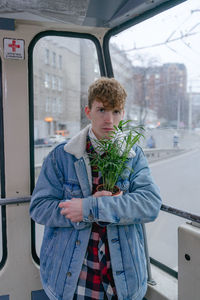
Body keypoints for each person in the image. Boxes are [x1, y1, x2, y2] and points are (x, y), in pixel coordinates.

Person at [30, 77, 162, 300]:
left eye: (116, 111)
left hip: (122, 277)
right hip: (72, 275)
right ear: (88, 111)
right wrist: (77, 213)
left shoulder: (133, 156)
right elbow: (39, 208)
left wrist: (91, 208)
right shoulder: (62, 156)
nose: (109, 120)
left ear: (123, 114)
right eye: (101, 110)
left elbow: (150, 204)